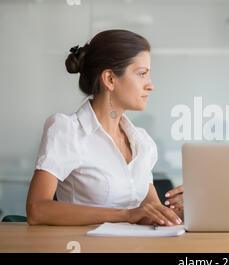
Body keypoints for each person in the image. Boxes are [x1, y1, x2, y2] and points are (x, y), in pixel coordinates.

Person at [26, 29, 183, 226]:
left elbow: (151, 213)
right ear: (109, 79)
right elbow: (37, 210)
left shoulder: (142, 142)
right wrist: (125, 215)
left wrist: (182, 212)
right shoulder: (68, 131)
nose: (150, 85)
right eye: (142, 74)